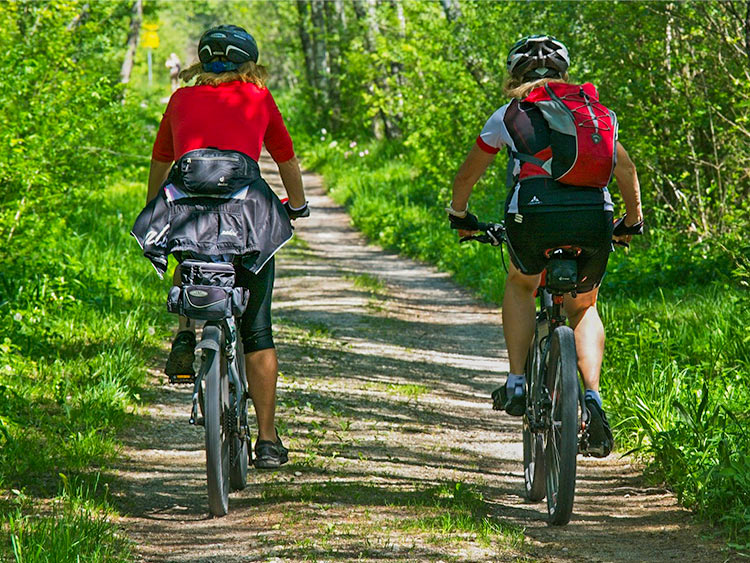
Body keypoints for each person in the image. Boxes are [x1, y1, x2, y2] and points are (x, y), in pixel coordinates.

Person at [447, 35, 643, 457]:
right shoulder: (594, 113)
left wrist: (460, 217)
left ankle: (517, 382)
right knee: (584, 307)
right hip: (594, 218)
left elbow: (466, 178)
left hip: (533, 218)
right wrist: (632, 222)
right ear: (563, 74)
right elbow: (624, 167)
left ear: (514, 75)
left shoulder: (508, 115)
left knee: (521, 283)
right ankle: (592, 397)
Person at [145, 25, 309, 469]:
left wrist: (154, 208)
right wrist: (298, 206)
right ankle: (269, 440)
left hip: (188, 211)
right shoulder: (257, 97)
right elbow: (285, 158)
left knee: (187, 248)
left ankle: (184, 331)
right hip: (246, 216)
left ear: (202, 62)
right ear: (248, 65)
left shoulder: (180, 100)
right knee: (258, 329)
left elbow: (162, 160)